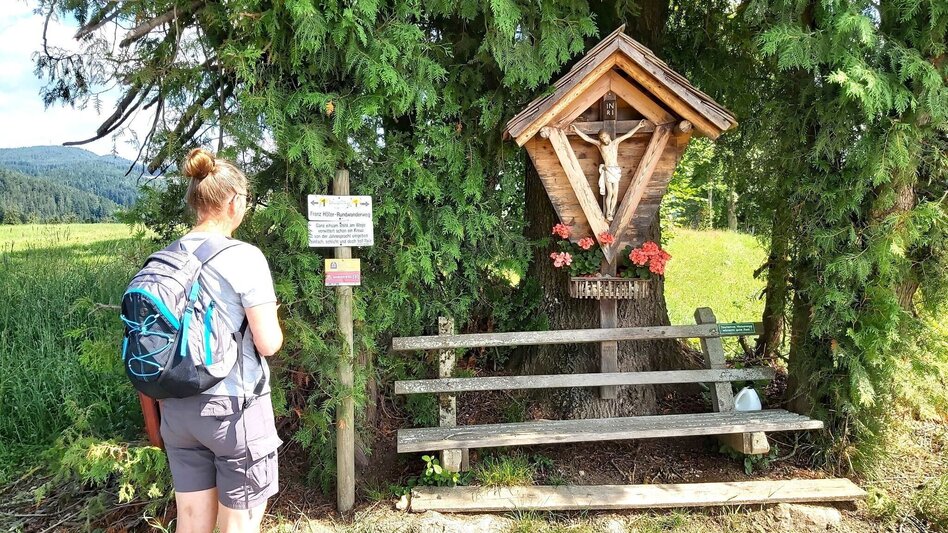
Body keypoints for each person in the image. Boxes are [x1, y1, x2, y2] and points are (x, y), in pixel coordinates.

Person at [158, 148, 284, 533]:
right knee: (239, 525)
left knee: (192, 523)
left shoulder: (167, 256)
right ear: (233, 202)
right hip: (233, 410)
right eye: (244, 200)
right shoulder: (244, 257)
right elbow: (268, 342)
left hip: (177, 411)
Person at [570, 122, 644, 221]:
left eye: (605, 137)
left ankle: (612, 212)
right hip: (608, 170)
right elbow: (587, 138)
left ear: (608, 135)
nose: (604, 139)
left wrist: (638, 126)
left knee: (615, 193)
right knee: (610, 192)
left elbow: (628, 135)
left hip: (616, 170)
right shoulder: (599, 145)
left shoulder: (615, 143)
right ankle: (608, 212)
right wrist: (576, 131)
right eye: (602, 138)